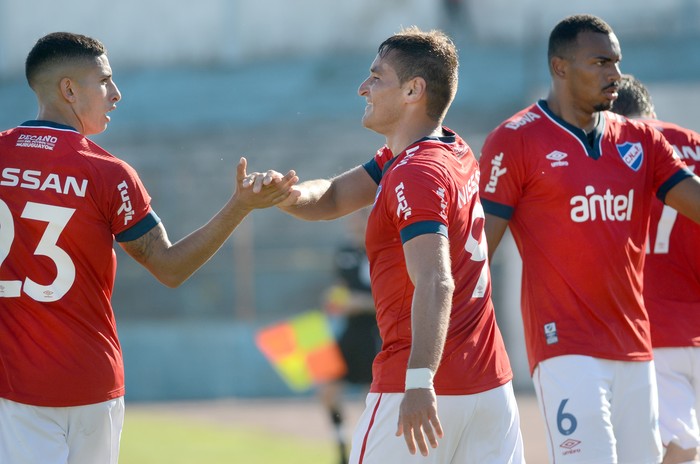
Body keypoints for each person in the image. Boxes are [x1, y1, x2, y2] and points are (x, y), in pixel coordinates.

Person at [0, 32, 297, 464]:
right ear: (68, 90)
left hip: (16, 387)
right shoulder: (108, 172)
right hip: (94, 385)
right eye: (105, 80)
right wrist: (240, 207)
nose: (116, 94)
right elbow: (170, 268)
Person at [244, 26, 524, 463]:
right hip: (489, 385)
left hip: (420, 387)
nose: (363, 87)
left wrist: (419, 380)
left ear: (414, 90)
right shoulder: (446, 148)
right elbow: (335, 196)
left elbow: (435, 281)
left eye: (376, 77)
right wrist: (288, 194)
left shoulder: (415, 171)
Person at [478, 14, 700, 464]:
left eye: (616, 63)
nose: (614, 75)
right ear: (560, 67)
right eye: (600, 62)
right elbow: (479, 249)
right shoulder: (515, 140)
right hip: (565, 347)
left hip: (637, 347)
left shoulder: (641, 140)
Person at [610, 74, 700, 464]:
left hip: (651, 328)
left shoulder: (616, 149)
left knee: (673, 449)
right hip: (693, 318)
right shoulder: (693, 143)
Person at [319, 208, 381, 464]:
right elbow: (340, 289)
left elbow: (398, 299)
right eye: (352, 220)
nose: (353, 225)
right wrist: (334, 299)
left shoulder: (383, 250)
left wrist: (362, 303)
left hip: (378, 333)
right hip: (350, 330)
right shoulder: (344, 251)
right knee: (327, 389)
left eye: (359, 220)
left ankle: (374, 449)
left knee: (374, 397)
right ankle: (341, 445)